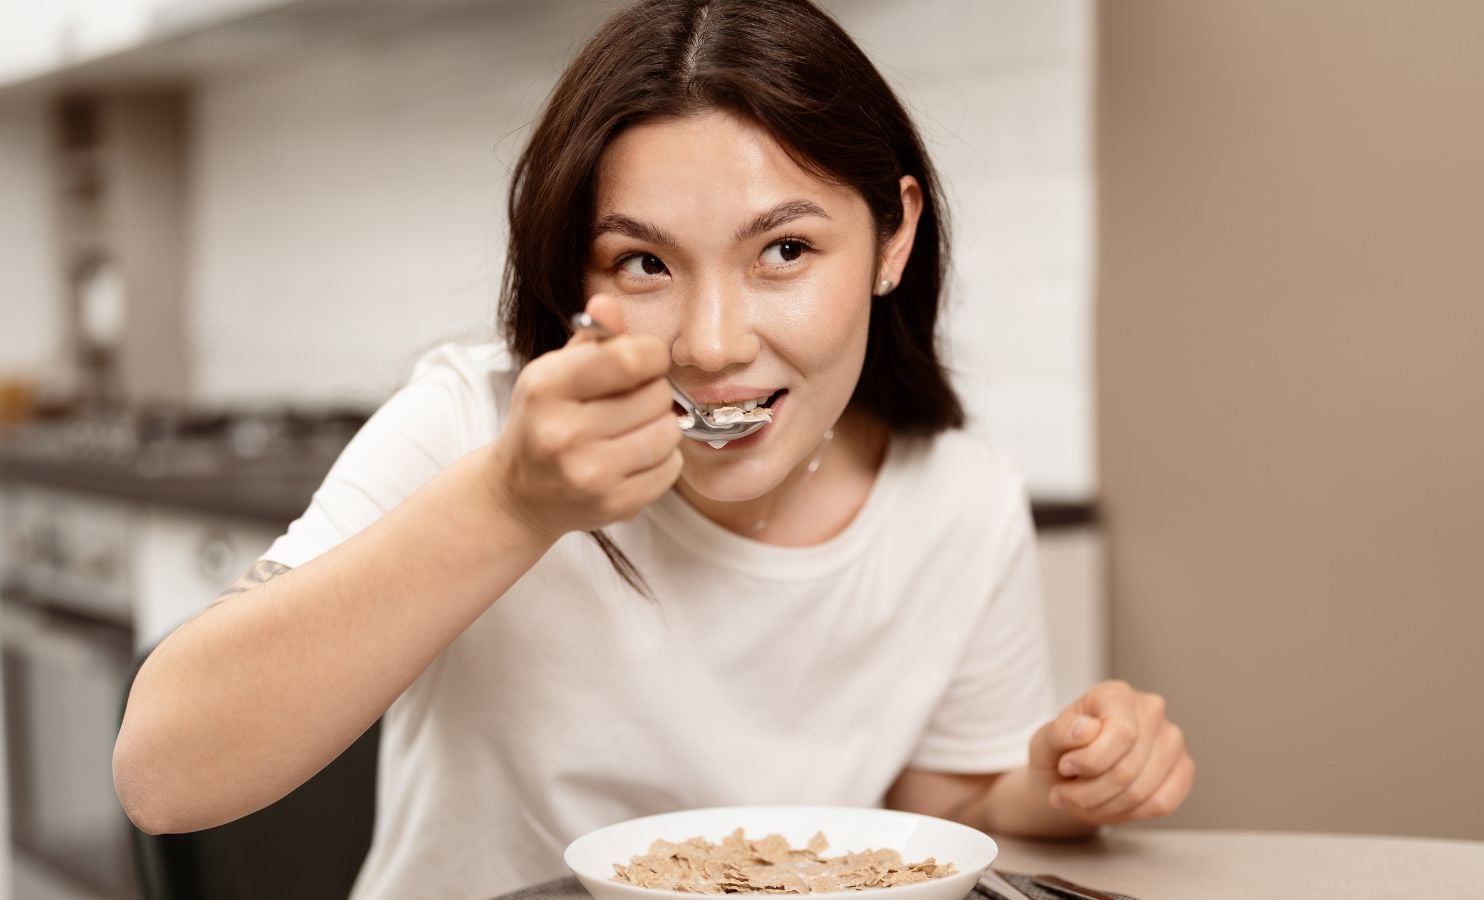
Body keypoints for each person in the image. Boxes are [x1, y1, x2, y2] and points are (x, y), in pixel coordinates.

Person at [113, 1, 1195, 897]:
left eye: (784, 249)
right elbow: (164, 774)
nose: (715, 345)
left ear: (893, 236)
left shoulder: (960, 501)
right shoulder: (475, 429)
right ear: (572, 275)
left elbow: (931, 822)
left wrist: (1048, 793)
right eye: (643, 265)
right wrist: (511, 506)